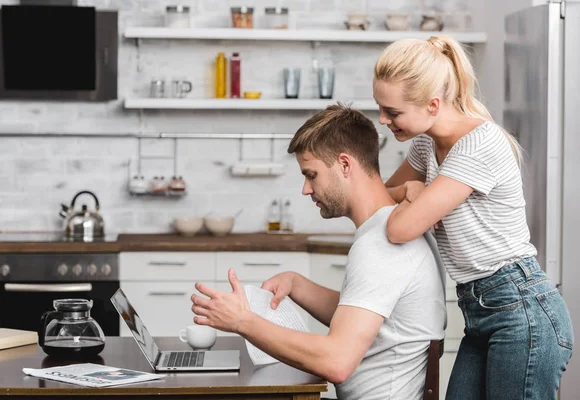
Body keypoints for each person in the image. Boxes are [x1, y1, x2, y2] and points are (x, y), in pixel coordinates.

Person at [190, 104, 446, 400]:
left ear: (345, 165)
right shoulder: (394, 226)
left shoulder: (381, 245)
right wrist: (297, 285)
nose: (306, 189)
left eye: (311, 175)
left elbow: (335, 362)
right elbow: (369, 314)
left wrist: (241, 321)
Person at [374, 35, 574, 400]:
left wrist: (410, 202)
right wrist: (408, 192)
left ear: (432, 104)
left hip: (521, 309)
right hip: (480, 311)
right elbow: (377, 201)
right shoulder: (425, 143)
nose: (383, 120)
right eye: (382, 108)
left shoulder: (479, 145)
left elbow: (400, 228)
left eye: (393, 112)